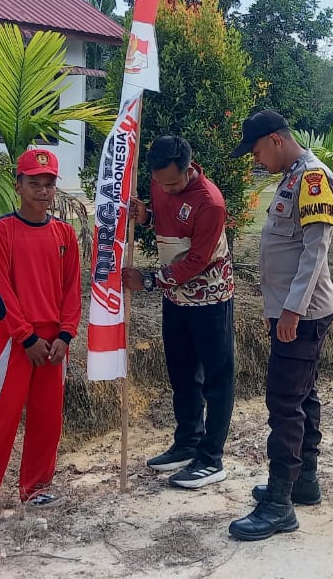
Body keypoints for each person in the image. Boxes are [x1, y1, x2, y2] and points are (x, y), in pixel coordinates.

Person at [225, 110, 333, 542]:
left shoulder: (313, 178)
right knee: (302, 395)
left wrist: (291, 310)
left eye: (256, 151)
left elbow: (315, 250)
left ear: (275, 139)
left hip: (301, 313)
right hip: (292, 309)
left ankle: (279, 504)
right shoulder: (293, 175)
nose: (256, 160)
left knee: (285, 403)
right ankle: (303, 481)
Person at [0, 148, 82, 532]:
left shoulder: (64, 234)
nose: (42, 191)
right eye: (34, 184)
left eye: (49, 184)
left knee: (47, 419)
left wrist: (66, 334)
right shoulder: (0, 231)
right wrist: (26, 337)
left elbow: (72, 290)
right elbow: (0, 294)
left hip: (54, 345)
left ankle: (36, 488)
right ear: (18, 186)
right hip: (14, 344)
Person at [123, 136, 236, 490]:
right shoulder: (160, 184)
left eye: (172, 183)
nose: (166, 188)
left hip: (210, 299)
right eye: (160, 182)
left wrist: (149, 281)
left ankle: (211, 458)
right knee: (183, 375)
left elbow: (197, 260)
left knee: (217, 379)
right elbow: (169, 219)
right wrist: (147, 216)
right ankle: (187, 442)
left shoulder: (210, 202)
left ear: (189, 169)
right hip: (176, 299)